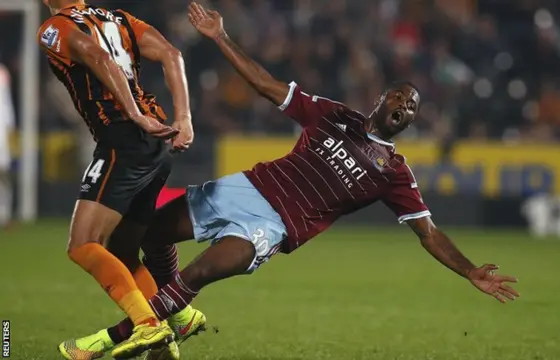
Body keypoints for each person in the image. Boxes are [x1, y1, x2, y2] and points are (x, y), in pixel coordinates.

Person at [69, 3, 520, 359]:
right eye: (400, 96)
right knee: (149, 233)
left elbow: (429, 232)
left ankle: (107, 341)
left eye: (414, 105)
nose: (405, 104)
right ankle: (178, 320)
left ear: (410, 122)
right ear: (381, 99)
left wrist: (469, 271)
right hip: (244, 188)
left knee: (202, 270)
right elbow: (266, 85)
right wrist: (221, 36)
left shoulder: (394, 172)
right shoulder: (335, 115)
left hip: (273, 226)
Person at [38, 1, 197, 359]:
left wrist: (136, 115)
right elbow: (172, 54)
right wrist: (184, 118)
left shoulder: (56, 28)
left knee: (82, 245)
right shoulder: (119, 19)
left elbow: (100, 60)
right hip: (158, 143)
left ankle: (147, 325)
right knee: (122, 250)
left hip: (124, 140)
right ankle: (175, 319)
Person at [0, 62, 14, 229]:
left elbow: (7, 104)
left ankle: (4, 215)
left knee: (3, 174)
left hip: (2, 131)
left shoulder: (3, 72)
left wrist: (11, 126)